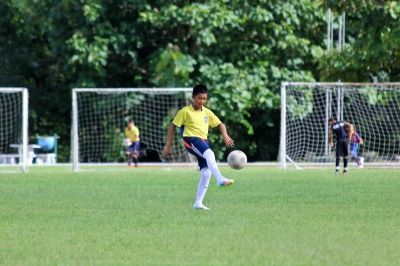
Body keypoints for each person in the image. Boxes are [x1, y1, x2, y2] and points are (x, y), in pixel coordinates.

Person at [162, 84, 235, 210]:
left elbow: (221, 124)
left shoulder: (207, 112)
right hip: (190, 140)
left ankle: (198, 203)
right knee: (210, 154)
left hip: (203, 141)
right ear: (193, 98)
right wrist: (167, 145)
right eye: (199, 98)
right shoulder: (185, 111)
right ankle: (220, 179)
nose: (202, 101)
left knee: (206, 172)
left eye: (204, 99)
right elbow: (172, 126)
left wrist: (225, 136)